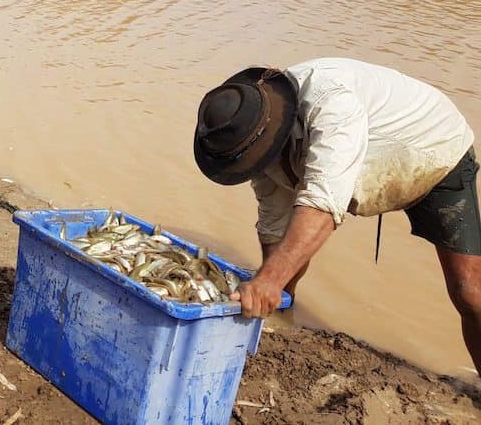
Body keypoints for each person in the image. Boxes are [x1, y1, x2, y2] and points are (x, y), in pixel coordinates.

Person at [193, 57, 480, 373]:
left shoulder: (332, 106)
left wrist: (269, 280)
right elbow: (277, 225)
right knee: (280, 267)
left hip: (434, 151)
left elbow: (323, 205)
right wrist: (276, 297)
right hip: (374, 161)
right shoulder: (257, 147)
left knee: (469, 290)